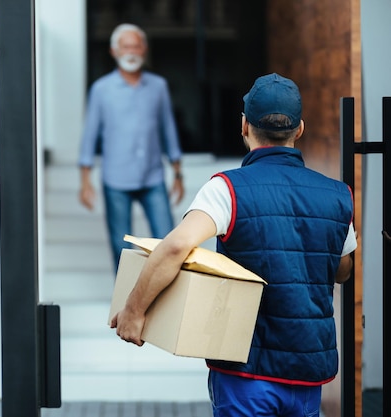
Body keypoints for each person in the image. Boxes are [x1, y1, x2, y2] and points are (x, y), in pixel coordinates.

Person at [110, 73, 358, 417]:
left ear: (244, 126)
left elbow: (174, 247)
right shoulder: (337, 194)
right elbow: (343, 270)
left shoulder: (226, 189)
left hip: (246, 371)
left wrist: (134, 311)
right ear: (299, 129)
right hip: (308, 372)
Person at [78, 23, 185, 272]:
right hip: (116, 180)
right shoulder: (101, 89)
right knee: (121, 249)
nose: (131, 51)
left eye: (136, 45)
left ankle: (168, 302)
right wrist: (85, 181)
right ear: (114, 51)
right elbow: (89, 135)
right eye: (126, 46)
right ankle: (125, 305)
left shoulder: (158, 86)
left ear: (144, 49)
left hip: (153, 177)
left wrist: (178, 174)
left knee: (169, 242)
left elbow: (168, 130)